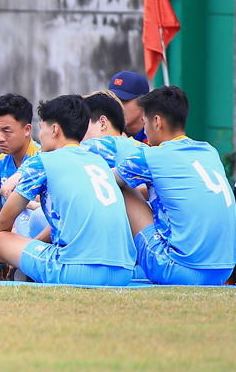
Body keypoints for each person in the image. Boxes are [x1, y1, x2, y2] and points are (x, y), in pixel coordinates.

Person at [0, 94, 136, 286]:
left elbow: (3, 221)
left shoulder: (43, 160)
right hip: (123, 272)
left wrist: (2, 251)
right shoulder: (97, 160)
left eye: (42, 128)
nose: (41, 135)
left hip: (77, 270)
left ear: (54, 129)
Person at [114, 86, 236, 286]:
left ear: (157, 121)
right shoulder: (209, 151)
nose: (145, 130)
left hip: (178, 270)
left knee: (123, 188)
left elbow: (104, 180)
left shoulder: (153, 155)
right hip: (224, 270)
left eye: (145, 122)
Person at [0, 93, 40, 227]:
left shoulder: (43, 160)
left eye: (7, 131)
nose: (0, 138)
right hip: (10, 233)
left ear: (27, 129)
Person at [80, 90, 142, 167]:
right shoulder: (142, 148)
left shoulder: (97, 146)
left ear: (103, 123)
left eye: (83, 126)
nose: (79, 134)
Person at [108, 71, 150, 143]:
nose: (116, 106)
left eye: (123, 101)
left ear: (143, 103)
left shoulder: (158, 135)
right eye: (112, 101)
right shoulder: (104, 136)